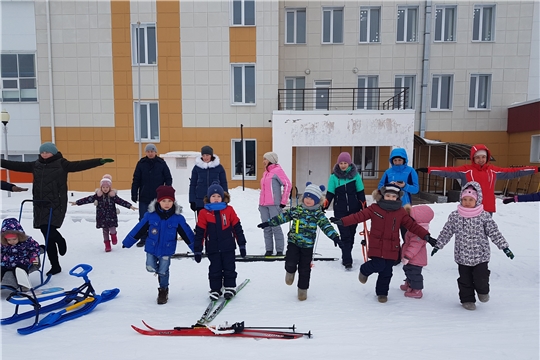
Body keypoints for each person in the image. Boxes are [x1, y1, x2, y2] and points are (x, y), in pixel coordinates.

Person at [0, 142, 113, 276]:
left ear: (53, 152)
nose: (44, 154)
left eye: (47, 152)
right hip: (39, 204)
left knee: (50, 230)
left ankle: (60, 240)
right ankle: (55, 266)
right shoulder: (35, 165)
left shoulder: (61, 163)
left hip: (56, 203)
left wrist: (99, 161)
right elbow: (15, 165)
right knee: (47, 235)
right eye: (42, 152)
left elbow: (79, 165)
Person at [330, 183, 436, 303]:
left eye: (393, 196)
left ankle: (382, 293)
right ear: (382, 196)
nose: (390, 198)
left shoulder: (400, 212)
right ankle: (364, 269)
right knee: (378, 264)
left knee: (387, 272)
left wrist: (426, 236)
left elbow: (412, 226)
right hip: (377, 245)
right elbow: (358, 216)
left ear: (397, 197)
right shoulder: (375, 208)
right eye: (388, 195)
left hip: (392, 246)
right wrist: (343, 221)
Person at [431, 181, 514, 311]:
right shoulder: (455, 216)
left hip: (481, 255)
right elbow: (447, 231)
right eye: (464, 199)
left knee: (481, 277)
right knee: (465, 280)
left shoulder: (484, 216)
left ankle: (483, 291)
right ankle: (467, 299)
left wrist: (504, 247)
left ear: (477, 200)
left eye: (471, 199)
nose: (467, 202)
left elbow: (494, 232)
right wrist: (438, 245)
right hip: (462, 255)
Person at [258, 182, 342, 301]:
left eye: (311, 198)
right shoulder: (297, 210)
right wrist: (269, 222)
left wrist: (335, 237)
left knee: (305, 269)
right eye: (306, 197)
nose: (308, 200)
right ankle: (290, 271)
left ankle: (302, 290)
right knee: (290, 262)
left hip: (307, 247)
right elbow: (283, 217)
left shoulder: (318, 214)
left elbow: (326, 226)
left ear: (317, 201)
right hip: (293, 243)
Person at [122, 185, 195, 305]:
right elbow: (139, 229)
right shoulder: (150, 216)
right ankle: (157, 272)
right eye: (164, 201)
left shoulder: (178, 218)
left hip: (167, 250)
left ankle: (163, 290)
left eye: (170, 201)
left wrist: (196, 248)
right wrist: (128, 242)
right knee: (150, 266)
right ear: (158, 201)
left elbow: (187, 234)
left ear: (174, 202)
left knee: (163, 271)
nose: (167, 204)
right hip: (151, 248)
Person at [417, 144, 538, 213]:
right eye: (478, 157)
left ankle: (481, 257)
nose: (481, 160)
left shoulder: (493, 171)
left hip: (487, 208)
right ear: (473, 158)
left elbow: (514, 172)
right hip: (469, 207)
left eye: (483, 157)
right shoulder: (466, 170)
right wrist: (428, 170)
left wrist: (535, 169)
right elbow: (448, 171)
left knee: (483, 236)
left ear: (487, 158)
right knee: (470, 236)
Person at [193, 182, 247, 300]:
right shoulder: (204, 213)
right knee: (215, 269)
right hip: (212, 247)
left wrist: (242, 244)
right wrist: (197, 249)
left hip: (228, 246)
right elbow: (200, 232)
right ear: (209, 198)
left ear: (223, 197)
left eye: (218, 196)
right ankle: (215, 289)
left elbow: (237, 227)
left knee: (229, 267)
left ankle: (229, 287)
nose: (216, 199)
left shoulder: (229, 210)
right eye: (213, 196)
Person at [70, 174, 137, 252]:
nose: (105, 189)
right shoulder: (97, 196)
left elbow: (121, 201)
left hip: (111, 217)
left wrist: (130, 206)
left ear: (110, 187)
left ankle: (113, 235)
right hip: (102, 217)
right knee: (105, 231)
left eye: (107, 187)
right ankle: (107, 245)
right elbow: (87, 199)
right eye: (103, 187)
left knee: (112, 229)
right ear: (101, 187)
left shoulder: (113, 196)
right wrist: (77, 202)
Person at [323, 151, 366, 269]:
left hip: (354, 210)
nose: (343, 165)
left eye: (345, 163)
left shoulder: (356, 176)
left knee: (351, 234)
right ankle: (347, 259)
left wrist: (364, 206)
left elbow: (360, 192)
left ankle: (347, 253)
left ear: (349, 163)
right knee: (345, 235)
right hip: (340, 210)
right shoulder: (333, 177)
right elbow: (330, 194)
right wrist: (324, 206)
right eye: (341, 163)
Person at [131, 143, 172, 248]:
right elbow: (136, 180)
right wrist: (134, 193)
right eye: (148, 151)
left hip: (158, 197)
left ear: (155, 152)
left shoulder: (161, 163)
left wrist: (166, 192)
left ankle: (158, 237)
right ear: (146, 152)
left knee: (159, 217)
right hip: (144, 196)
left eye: (152, 151)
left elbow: (168, 178)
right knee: (143, 218)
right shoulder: (141, 163)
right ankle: (143, 238)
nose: (150, 153)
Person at [258, 151, 292, 256]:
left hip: (274, 204)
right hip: (263, 205)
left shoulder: (278, 171)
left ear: (271, 160)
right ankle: (269, 249)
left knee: (275, 227)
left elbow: (288, 184)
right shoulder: (265, 172)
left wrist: (283, 201)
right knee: (266, 227)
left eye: (265, 159)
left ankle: (279, 250)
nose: (263, 161)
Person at [400, 204, 435, 299]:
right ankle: (409, 283)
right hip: (411, 258)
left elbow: (415, 246)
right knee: (407, 270)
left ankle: (417, 290)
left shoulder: (419, 232)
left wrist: (407, 256)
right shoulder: (413, 229)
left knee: (414, 273)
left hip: (415, 258)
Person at [1, 218, 41, 290]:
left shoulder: (27, 241)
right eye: (9, 240)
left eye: (14, 239)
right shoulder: (3, 243)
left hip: (21, 261)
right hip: (6, 263)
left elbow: (35, 249)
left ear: (19, 236)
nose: (12, 242)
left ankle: (24, 285)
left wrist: (33, 257)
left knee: (20, 271)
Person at [189, 145, 228, 215]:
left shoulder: (219, 168)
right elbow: (193, 185)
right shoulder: (197, 168)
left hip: (215, 202)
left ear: (211, 155)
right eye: (203, 155)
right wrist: (192, 200)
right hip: (200, 202)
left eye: (207, 155)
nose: (205, 157)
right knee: (202, 223)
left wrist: (225, 198)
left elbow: (223, 183)